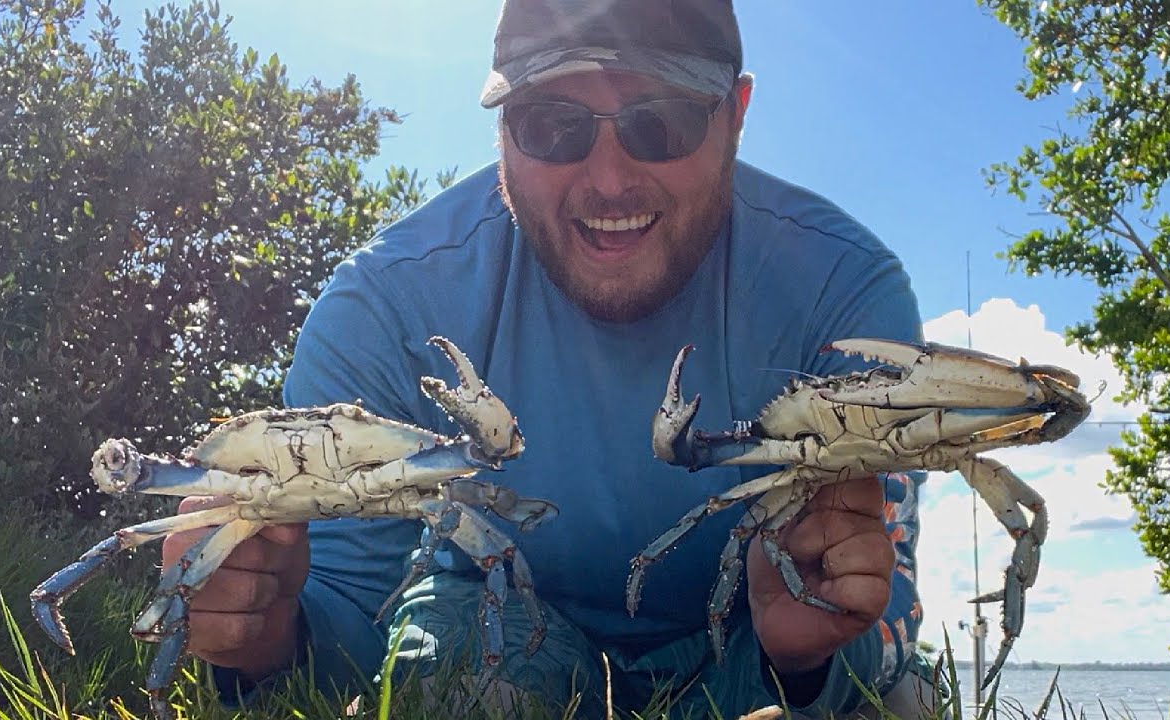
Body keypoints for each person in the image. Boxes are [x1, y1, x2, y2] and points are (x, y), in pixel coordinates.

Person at [163, 1, 945, 717]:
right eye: (551, 123)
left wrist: (813, 654)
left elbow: (890, 599)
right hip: (496, 642)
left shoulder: (846, 294)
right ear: (500, 124)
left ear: (735, 118)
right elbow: (349, 617)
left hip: (758, 655)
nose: (608, 180)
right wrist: (265, 636)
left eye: (663, 123)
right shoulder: (385, 306)